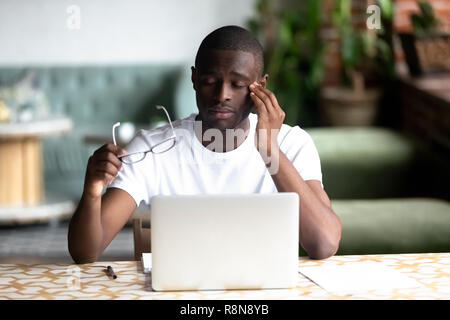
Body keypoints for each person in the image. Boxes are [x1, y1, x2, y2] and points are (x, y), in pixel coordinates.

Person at [68, 25, 342, 264]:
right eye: (210, 81)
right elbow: (86, 253)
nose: (222, 95)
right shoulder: (153, 148)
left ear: (260, 85)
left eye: (237, 84)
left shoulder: (293, 143)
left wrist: (269, 149)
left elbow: (324, 242)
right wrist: (92, 191)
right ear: (194, 79)